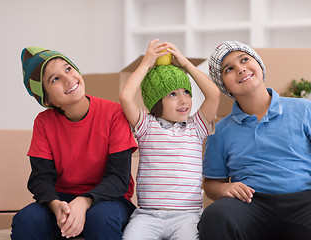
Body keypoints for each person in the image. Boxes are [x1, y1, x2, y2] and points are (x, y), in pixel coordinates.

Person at [11, 47, 138, 240]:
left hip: (109, 200)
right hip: (62, 202)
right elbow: (41, 178)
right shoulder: (43, 122)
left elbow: (118, 178)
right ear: (46, 98)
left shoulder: (114, 114)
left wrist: (84, 201)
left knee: (100, 218)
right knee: (26, 219)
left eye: (68, 69)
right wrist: (56, 205)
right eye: (54, 79)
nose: (68, 79)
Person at [198, 41, 311, 240]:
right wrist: (225, 188)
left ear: (259, 65)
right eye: (229, 69)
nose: (240, 69)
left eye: (245, 60)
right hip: (250, 204)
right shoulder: (220, 130)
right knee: (215, 216)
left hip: (303, 200)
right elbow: (211, 184)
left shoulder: (304, 109)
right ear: (224, 85)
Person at [120, 39, 220, 240]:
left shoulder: (196, 127)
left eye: (186, 92)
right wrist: (146, 62)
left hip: (187, 217)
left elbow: (214, 94)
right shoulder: (146, 126)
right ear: (156, 103)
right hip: (148, 216)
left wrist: (185, 63)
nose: (183, 100)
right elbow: (126, 97)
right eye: (172, 95)